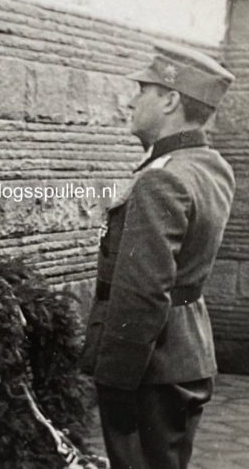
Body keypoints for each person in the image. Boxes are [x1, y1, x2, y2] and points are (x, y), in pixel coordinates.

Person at [80, 41, 236, 469]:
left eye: (143, 90)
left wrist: (115, 377)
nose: (132, 100)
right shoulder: (209, 165)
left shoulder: (159, 180)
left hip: (149, 364)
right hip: (186, 354)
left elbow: (143, 291)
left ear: (170, 99)